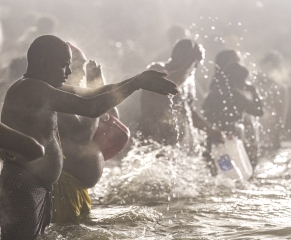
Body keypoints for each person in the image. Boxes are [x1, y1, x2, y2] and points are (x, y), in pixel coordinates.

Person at [0, 35, 178, 240]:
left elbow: (93, 95)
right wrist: (136, 83)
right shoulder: (32, 89)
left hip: (34, 184)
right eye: (63, 65)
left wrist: (138, 80)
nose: (68, 72)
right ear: (44, 63)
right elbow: (91, 108)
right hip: (24, 184)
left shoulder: (41, 88)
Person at [52, 42, 120, 223]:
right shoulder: (56, 97)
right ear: (62, 66)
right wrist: (94, 96)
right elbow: (81, 138)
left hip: (77, 187)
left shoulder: (75, 96)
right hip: (62, 187)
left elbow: (112, 117)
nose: (82, 73)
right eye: (77, 67)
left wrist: (98, 85)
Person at [138, 38, 223, 151]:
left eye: (196, 63)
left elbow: (189, 111)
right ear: (178, 56)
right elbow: (168, 86)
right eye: (193, 61)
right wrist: (188, 67)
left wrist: (210, 130)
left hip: (174, 140)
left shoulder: (188, 80)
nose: (195, 67)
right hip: (152, 136)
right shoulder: (156, 69)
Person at [202, 62, 263, 174]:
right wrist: (253, 91)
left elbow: (204, 114)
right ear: (238, 79)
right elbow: (259, 111)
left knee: (214, 171)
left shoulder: (212, 94)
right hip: (233, 136)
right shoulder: (236, 95)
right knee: (238, 172)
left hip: (212, 137)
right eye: (243, 80)